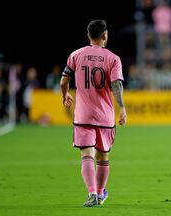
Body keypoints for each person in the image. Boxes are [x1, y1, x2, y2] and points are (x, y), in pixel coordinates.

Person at [60, 19, 127, 207]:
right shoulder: (113, 58)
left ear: (88, 35)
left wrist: (65, 96)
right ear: (105, 35)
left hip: (83, 115)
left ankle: (92, 193)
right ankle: (99, 193)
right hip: (105, 116)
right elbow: (116, 84)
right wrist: (122, 108)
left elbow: (63, 81)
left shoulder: (76, 55)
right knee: (103, 156)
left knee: (86, 155)